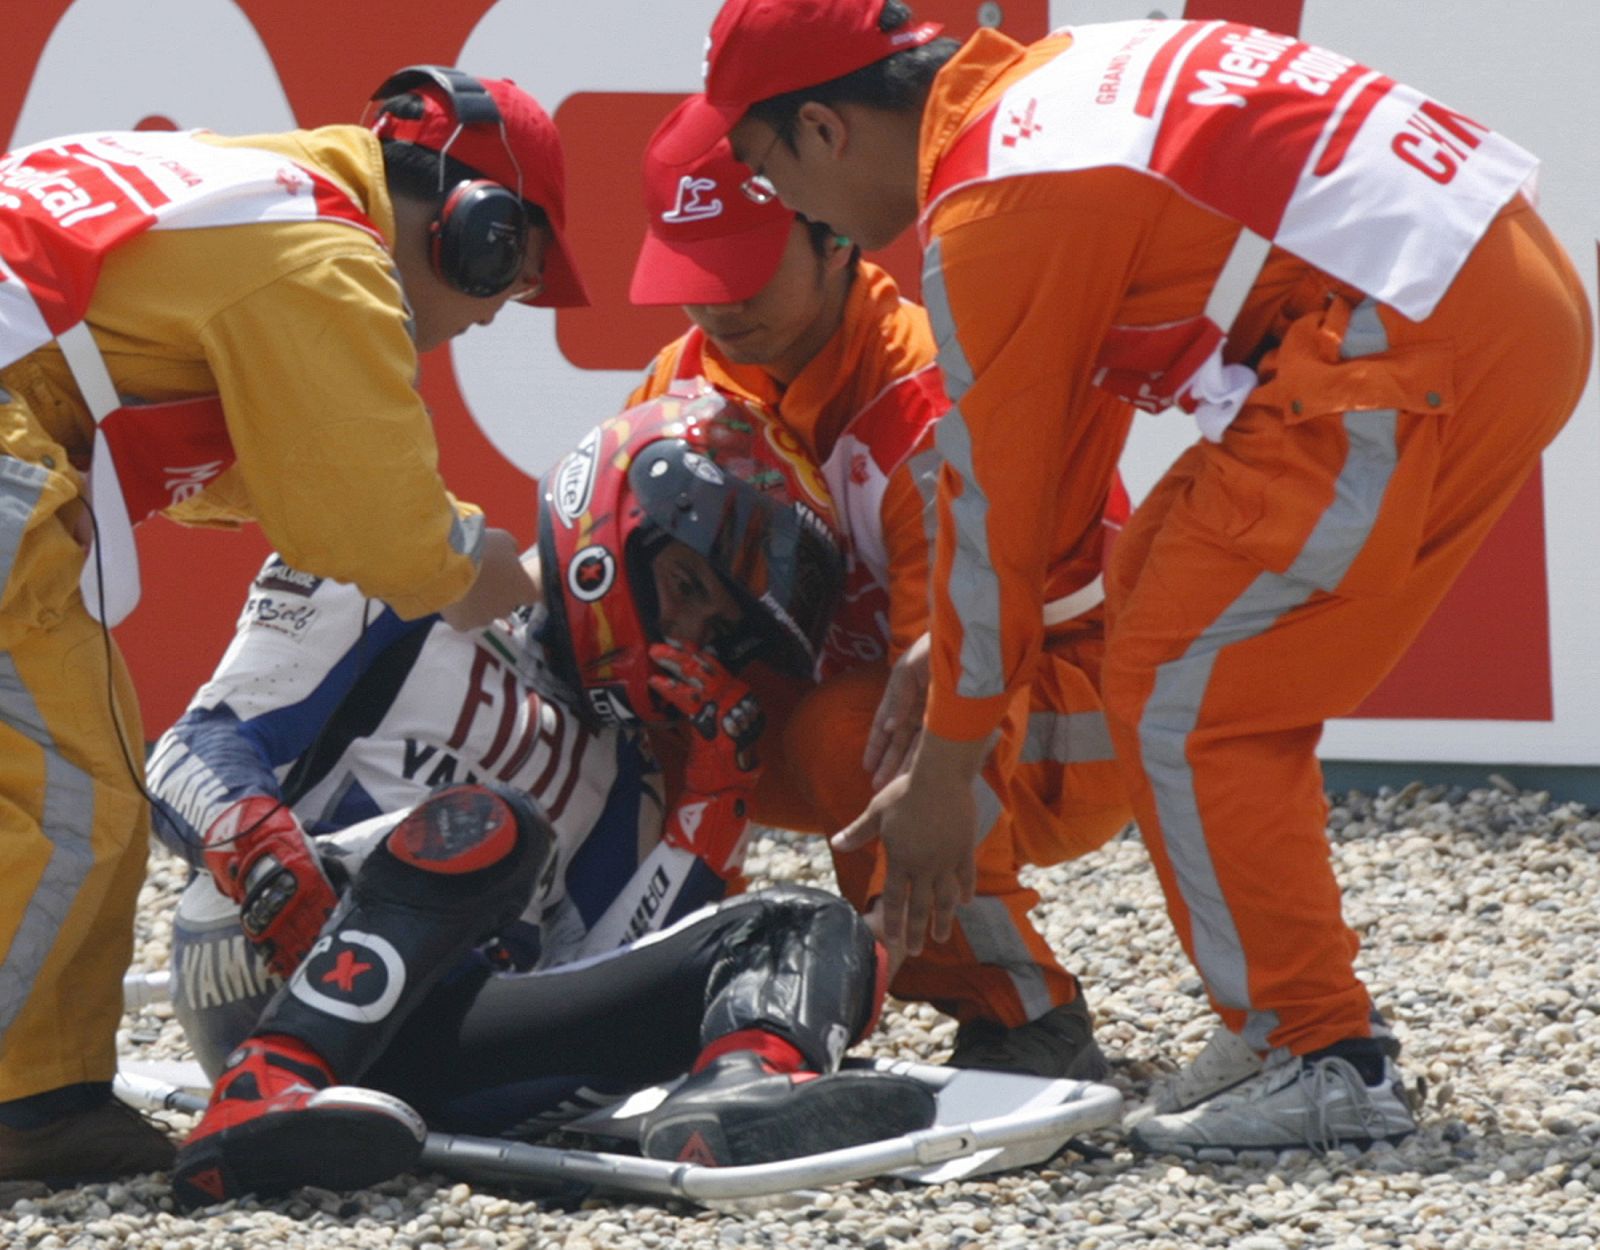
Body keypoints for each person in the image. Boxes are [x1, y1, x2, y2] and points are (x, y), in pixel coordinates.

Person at [652, 0, 1593, 1157]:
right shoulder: (1034, 104)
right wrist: (946, 658)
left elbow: (999, 501)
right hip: (1477, 303)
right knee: (1163, 608)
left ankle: (1325, 1052)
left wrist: (948, 768)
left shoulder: (994, 206)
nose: (793, 212)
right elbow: (1050, 453)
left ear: (825, 133)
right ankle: (1279, 1022)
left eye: (770, 174)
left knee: (1196, 692)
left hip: (1416, 338)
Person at [0, 65, 590, 1184]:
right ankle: (26, 1104)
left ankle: (40, 1093)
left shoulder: (244, 196)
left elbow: (263, 462)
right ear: (478, 228)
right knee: (73, 800)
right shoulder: (323, 256)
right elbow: (373, 522)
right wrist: (475, 567)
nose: (473, 321)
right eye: (502, 284)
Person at [146, 388, 936, 1207]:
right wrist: (269, 865)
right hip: (267, 952)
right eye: (686, 587)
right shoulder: (399, 574)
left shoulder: (631, 772)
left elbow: (588, 970)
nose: (689, 638)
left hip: (444, 1047)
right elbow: (188, 751)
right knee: (497, 827)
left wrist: (711, 807)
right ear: (611, 526)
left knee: (803, 924)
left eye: (714, 627)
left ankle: (741, 1095)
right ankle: (263, 1088)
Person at [626, 109, 1133, 1080]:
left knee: (860, 726)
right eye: (697, 272)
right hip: (876, 695)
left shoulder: (928, 397)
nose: (718, 305)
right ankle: (650, 979)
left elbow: (959, 670)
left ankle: (1026, 1012)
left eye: (744, 266)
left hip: (1070, 703)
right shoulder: (680, 382)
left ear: (832, 232)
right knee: (623, 686)